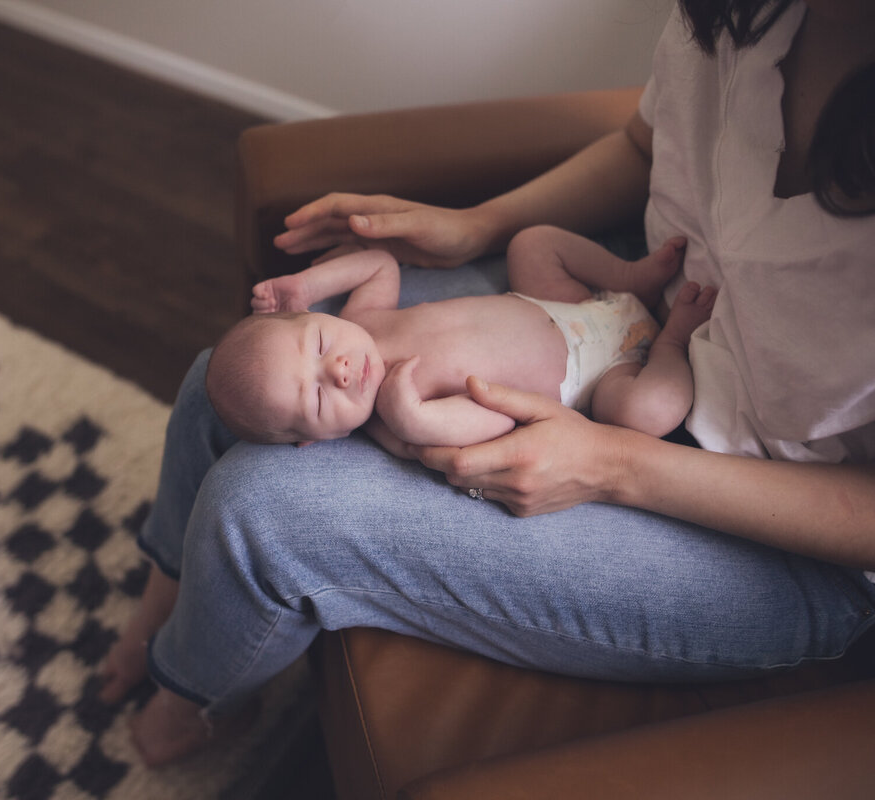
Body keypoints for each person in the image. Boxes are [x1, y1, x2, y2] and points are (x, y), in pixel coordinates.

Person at [99, 0, 875, 767]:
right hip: (618, 298)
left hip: (767, 514)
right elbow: (645, 147)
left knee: (258, 511)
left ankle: (186, 700)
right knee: (227, 375)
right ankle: (162, 608)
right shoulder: (746, 12)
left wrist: (611, 463)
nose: (340, 363)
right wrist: (481, 223)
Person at [206, 228, 715, 452]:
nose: (337, 370)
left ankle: (630, 277)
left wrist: (306, 285)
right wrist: (417, 418)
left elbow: (380, 263)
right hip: (599, 376)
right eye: (317, 395)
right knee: (643, 414)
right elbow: (500, 418)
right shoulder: (396, 423)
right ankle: (671, 343)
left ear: (314, 315)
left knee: (532, 243)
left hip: (560, 303)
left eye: (319, 343)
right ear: (314, 438)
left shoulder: (365, 320)